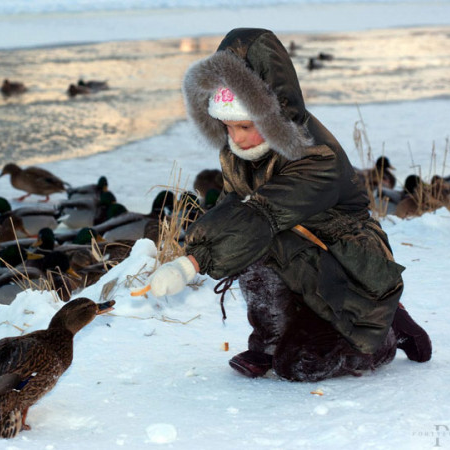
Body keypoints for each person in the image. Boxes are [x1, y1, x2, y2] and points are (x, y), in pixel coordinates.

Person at [149, 28, 432, 382]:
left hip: (346, 262)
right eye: (226, 126)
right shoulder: (239, 151)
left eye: (244, 126)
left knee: (299, 365)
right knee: (252, 249)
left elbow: (260, 216)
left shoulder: (316, 156)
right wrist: (196, 247)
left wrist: (192, 263)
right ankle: (270, 340)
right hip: (292, 249)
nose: (234, 138)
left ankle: (386, 330)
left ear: (272, 115)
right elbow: (232, 210)